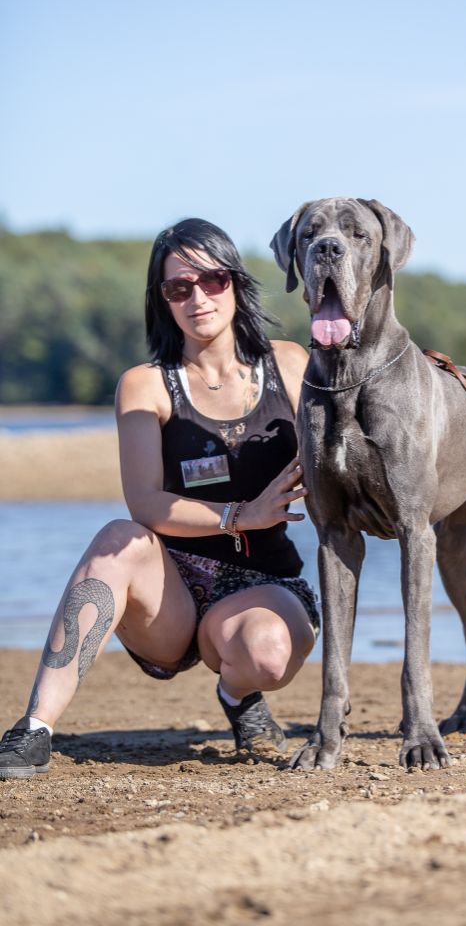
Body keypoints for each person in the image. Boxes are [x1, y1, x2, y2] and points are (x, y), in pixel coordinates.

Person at [0, 218, 317, 779]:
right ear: (163, 300)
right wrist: (239, 514)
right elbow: (146, 501)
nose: (198, 297)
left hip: (264, 583)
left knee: (265, 653)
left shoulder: (289, 364)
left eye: (212, 280)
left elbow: (345, 455)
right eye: (178, 288)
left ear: (236, 283)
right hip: (168, 590)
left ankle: (238, 697)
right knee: (117, 536)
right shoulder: (145, 384)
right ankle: (33, 729)